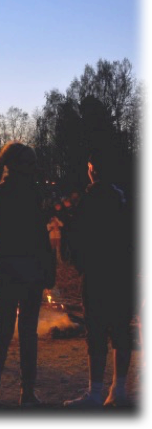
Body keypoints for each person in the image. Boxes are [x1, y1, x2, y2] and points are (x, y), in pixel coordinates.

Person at [64, 152, 138, 411]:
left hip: (98, 275)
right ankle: (118, 390)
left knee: (96, 333)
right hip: (123, 274)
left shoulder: (91, 198)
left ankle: (95, 393)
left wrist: (80, 263)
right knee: (120, 331)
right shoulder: (126, 199)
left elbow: (78, 238)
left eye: (89, 168)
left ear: (94, 170)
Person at [0, 142, 54, 407]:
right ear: (20, 166)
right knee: (27, 333)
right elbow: (38, 237)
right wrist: (48, 269)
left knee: (5, 331)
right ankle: (26, 392)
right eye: (31, 162)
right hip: (29, 269)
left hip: (9, 270)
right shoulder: (29, 194)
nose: (34, 167)